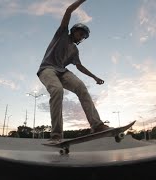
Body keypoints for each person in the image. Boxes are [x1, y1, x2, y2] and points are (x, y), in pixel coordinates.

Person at [37, 0, 110, 144]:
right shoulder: (62, 33)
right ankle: (56, 135)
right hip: (47, 69)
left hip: (63, 71)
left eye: (83, 36)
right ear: (74, 30)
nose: (81, 36)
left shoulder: (75, 50)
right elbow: (69, 10)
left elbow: (79, 66)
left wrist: (94, 77)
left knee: (82, 88)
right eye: (80, 33)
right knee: (57, 90)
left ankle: (97, 125)